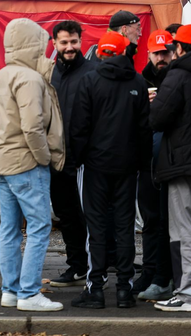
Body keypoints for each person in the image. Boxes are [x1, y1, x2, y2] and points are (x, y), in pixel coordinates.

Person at [0, 18, 64, 312]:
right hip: (28, 162)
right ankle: (29, 293)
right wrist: (44, 158)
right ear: (32, 44)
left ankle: (11, 290)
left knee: (9, 228)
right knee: (40, 226)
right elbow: (33, 127)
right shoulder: (29, 78)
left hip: (3, 162)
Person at [69, 31, 151, 309]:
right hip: (127, 168)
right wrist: (141, 164)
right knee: (125, 226)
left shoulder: (89, 80)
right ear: (125, 51)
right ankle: (125, 290)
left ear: (101, 53)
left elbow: (79, 127)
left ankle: (96, 289)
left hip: (94, 167)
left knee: (97, 227)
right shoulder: (138, 82)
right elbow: (144, 130)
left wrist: (74, 160)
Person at [47, 20, 95, 288]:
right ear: (54, 43)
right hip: (56, 160)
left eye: (74, 41)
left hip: (86, 161)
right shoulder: (49, 74)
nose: (69, 47)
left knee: (90, 215)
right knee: (66, 215)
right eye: (64, 42)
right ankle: (77, 266)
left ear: (80, 41)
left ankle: (96, 266)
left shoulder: (92, 72)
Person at [150, 24, 191, 312]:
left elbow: (158, 119)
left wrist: (153, 103)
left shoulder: (178, 74)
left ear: (179, 48)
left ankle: (187, 293)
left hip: (181, 163)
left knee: (182, 231)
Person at [135, 29, 176, 302]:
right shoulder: (140, 80)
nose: (161, 57)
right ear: (148, 53)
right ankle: (150, 270)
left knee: (168, 221)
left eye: (165, 52)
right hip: (145, 161)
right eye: (157, 52)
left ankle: (166, 274)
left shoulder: (178, 78)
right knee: (150, 220)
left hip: (171, 162)